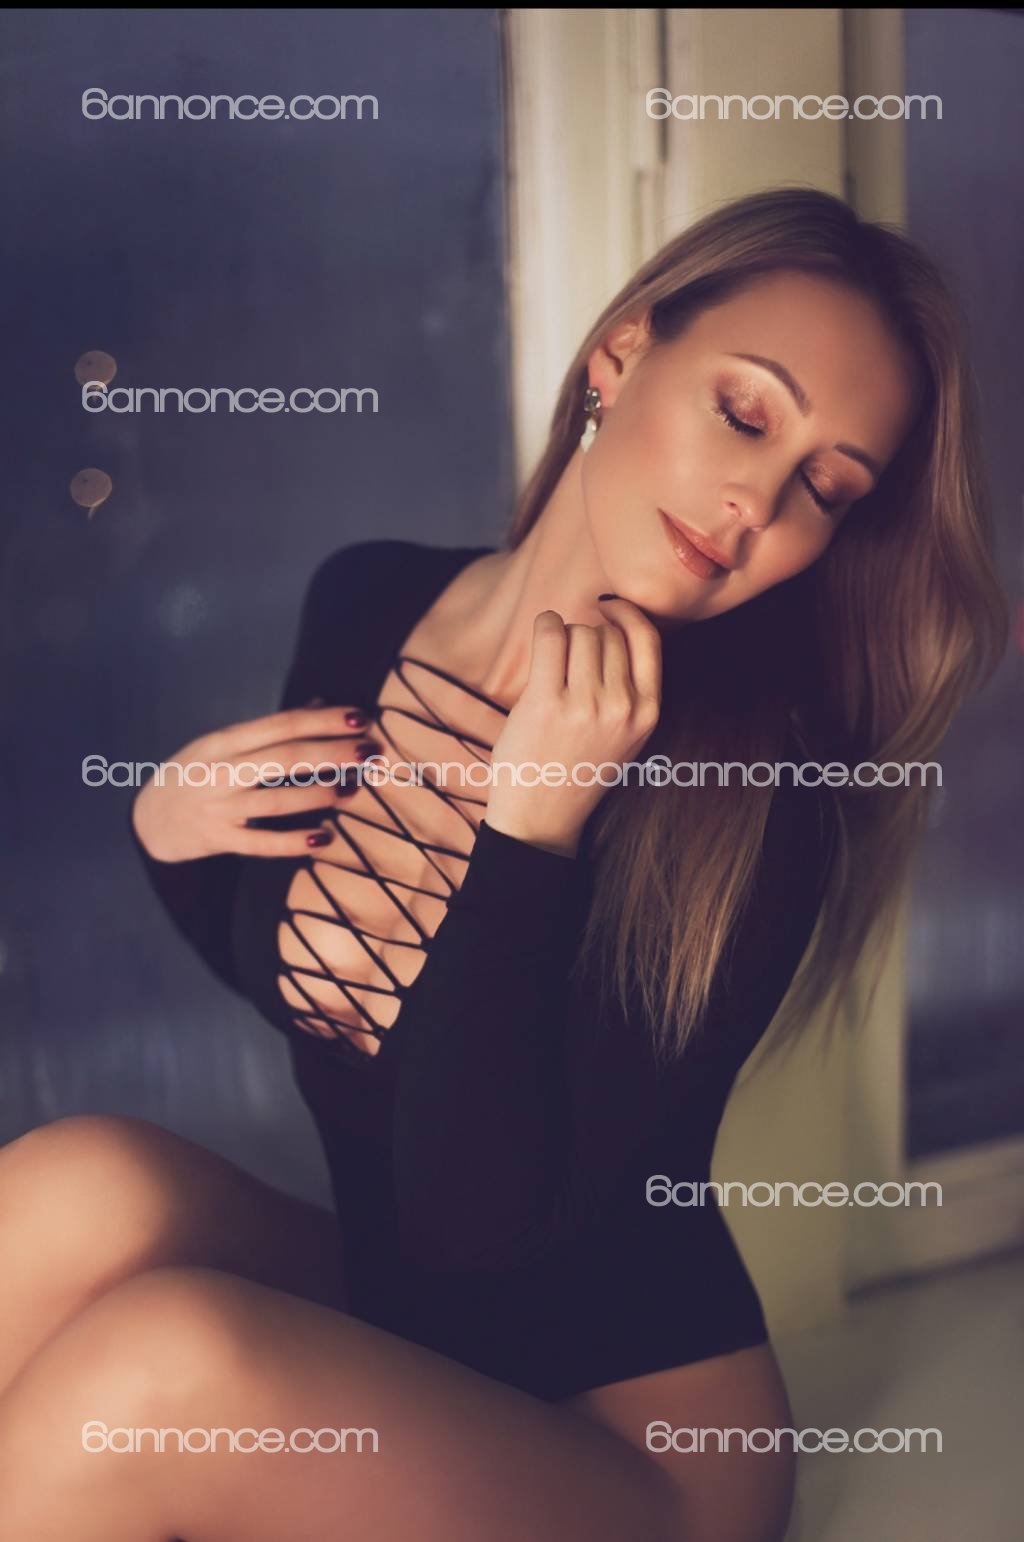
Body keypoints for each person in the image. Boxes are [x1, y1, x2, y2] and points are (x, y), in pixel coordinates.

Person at [0, 188, 1006, 1541]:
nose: (757, 501)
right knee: (79, 1183)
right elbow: (338, 1007)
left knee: (157, 1368)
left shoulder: (753, 803)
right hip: (416, 1323)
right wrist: (172, 842)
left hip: (629, 1449)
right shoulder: (370, 598)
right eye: (746, 412)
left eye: (826, 487)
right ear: (621, 356)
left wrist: (532, 834)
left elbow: (476, 1225)